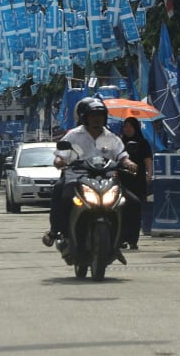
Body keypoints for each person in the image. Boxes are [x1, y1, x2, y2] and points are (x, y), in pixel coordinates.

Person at [42, 98, 137, 248]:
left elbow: (122, 155)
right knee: (63, 196)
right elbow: (61, 154)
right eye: (93, 115)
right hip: (77, 178)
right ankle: (59, 232)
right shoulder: (73, 135)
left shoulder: (111, 137)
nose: (97, 119)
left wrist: (129, 163)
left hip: (107, 180)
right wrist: (60, 161)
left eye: (100, 115)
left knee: (132, 202)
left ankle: (124, 237)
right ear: (84, 117)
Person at [118, 117, 153, 250]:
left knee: (136, 211)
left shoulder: (143, 143)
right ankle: (121, 239)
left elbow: (148, 160)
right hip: (122, 181)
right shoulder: (119, 143)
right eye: (125, 126)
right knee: (121, 210)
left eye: (130, 126)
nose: (127, 129)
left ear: (136, 128)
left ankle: (133, 240)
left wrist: (149, 174)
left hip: (137, 181)